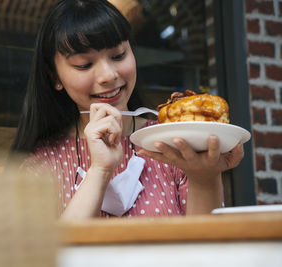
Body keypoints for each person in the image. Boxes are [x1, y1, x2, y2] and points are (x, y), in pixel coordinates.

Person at [12, 0, 244, 220]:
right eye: (84, 64)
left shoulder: (174, 143)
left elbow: (205, 249)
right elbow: (49, 258)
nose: (109, 75)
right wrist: (101, 170)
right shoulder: (41, 165)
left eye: (118, 55)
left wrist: (205, 178)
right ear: (55, 76)